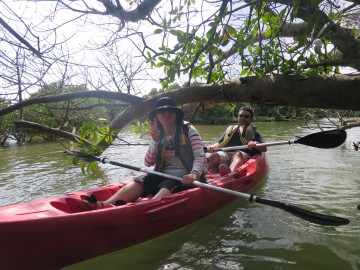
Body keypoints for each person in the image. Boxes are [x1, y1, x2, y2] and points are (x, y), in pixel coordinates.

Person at [80, 97, 207, 209]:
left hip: (187, 177)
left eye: (170, 111)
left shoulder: (188, 129)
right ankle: (106, 204)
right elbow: (148, 162)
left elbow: (200, 156)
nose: (166, 114)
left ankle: (147, 207)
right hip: (163, 174)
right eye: (162, 111)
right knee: (142, 179)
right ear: (156, 116)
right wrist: (155, 141)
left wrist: (194, 174)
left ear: (176, 114)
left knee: (169, 183)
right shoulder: (157, 133)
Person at [207, 107, 267, 176]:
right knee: (214, 155)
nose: (243, 118)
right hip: (227, 155)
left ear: (251, 119)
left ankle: (229, 175)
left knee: (237, 154)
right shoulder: (230, 129)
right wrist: (211, 147)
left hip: (242, 156)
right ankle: (201, 173)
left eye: (246, 116)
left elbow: (264, 148)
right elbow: (219, 143)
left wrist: (254, 144)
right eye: (241, 115)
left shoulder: (254, 133)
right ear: (238, 117)